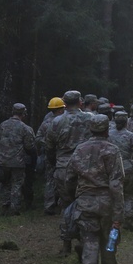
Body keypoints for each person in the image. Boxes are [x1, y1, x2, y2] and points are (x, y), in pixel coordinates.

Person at [64, 114, 125, 264]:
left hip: (85, 204)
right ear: (107, 129)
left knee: (89, 247)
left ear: (91, 129)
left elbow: (69, 178)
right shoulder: (112, 150)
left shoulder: (80, 150)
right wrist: (118, 216)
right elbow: (116, 185)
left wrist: (75, 198)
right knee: (108, 247)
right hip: (106, 206)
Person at [48, 90, 93, 254]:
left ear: (64, 103)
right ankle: (83, 240)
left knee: (66, 205)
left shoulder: (56, 121)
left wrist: (56, 163)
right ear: (80, 102)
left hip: (63, 166)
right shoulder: (90, 118)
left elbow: (49, 146)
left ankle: (66, 245)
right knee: (85, 204)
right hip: (86, 167)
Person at [0, 103, 36, 215]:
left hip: (2, 161)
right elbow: (29, 147)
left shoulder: (2, 125)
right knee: (16, 184)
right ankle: (14, 208)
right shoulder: (25, 128)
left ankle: (4, 206)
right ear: (24, 113)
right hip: (18, 162)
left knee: (4, 184)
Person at [108, 110, 133, 229]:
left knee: (112, 194)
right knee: (129, 194)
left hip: (111, 169)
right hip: (127, 168)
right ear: (126, 122)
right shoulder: (130, 135)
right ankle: (128, 218)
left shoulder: (108, 135)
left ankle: (113, 219)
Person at [37, 97, 66, 215]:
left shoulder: (45, 123)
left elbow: (38, 138)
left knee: (50, 180)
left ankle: (49, 206)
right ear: (60, 110)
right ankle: (62, 205)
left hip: (49, 155)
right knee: (64, 180)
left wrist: (47, 145)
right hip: (61, 156)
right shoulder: (63, 122)